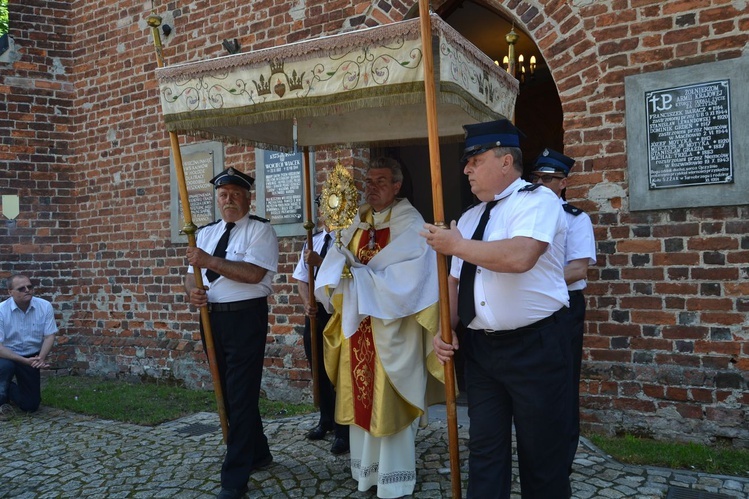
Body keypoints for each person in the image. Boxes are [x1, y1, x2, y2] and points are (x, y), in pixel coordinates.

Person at [421, 119, 572, 499]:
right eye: (466, 161)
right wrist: (447, 326)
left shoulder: (538, 201)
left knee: (542, 453)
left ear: (506, 161)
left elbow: (521, 256)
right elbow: (455, 282)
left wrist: (455, 245)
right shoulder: (470, 218)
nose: (466, 168)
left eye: (475, 159)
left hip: (535, 347)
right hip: (483, 351)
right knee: (485, 450)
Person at [314, 157, 444, 498]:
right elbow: (338, 257)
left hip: (393, 329)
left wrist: (357, 278)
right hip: (361, 325)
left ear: (397, 186)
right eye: (368, 181)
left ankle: (395, 478)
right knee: (362, 396)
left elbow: (413, 277)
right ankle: (366, 472)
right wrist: (338, 274)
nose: (371, 188)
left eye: (380, 181)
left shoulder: (410, 222)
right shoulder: (356, 220)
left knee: (389, 399)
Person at [184, 167, 279, 499]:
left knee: (239, 393)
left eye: (236, 195)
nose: (229, 200)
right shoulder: (206, 233)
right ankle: (259, 451)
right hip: (212, 319)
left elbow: (253, 273)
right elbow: (191, 276)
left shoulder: (259, 232)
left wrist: (209, 261)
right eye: (223, 195)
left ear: (248, 198)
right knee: (228, 389)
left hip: (245, 320)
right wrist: (192, 292)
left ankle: (234, 478)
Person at [530, 148, 597, 473]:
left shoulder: (575, 218)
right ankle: (538, 452)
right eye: (536, 177)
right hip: (532, 307)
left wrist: (532, 278)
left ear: (563, 183)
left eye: (548, 178)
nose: (540, 183)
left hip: (565, 307)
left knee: (564, 383)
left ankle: (563, 457)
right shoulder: (525, 212)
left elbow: (578, 269)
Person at [291, 202, 349, 455]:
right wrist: (306, 303)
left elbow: (348, 273)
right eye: (324, 208)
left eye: (334, 207)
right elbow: (302, 278)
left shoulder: (348, 239)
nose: (329, 213)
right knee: (319, 366)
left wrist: (321, 261)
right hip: (316, 314)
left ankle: (344, 429)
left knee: (340, 370)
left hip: (340, 312)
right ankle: (326, 419)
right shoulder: (311, 241)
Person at [0, 274, 58, 419]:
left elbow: (49, 335)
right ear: (10, 292)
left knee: (30, 405)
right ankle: (2, 405)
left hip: (31, 356)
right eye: (21, 288)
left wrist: (41, 358)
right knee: (5, 367)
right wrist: (23, 360)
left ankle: (9, 389)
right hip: (6, 356)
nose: (27, 290)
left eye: (30, 287)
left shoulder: (44, 306)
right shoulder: (1, 310)